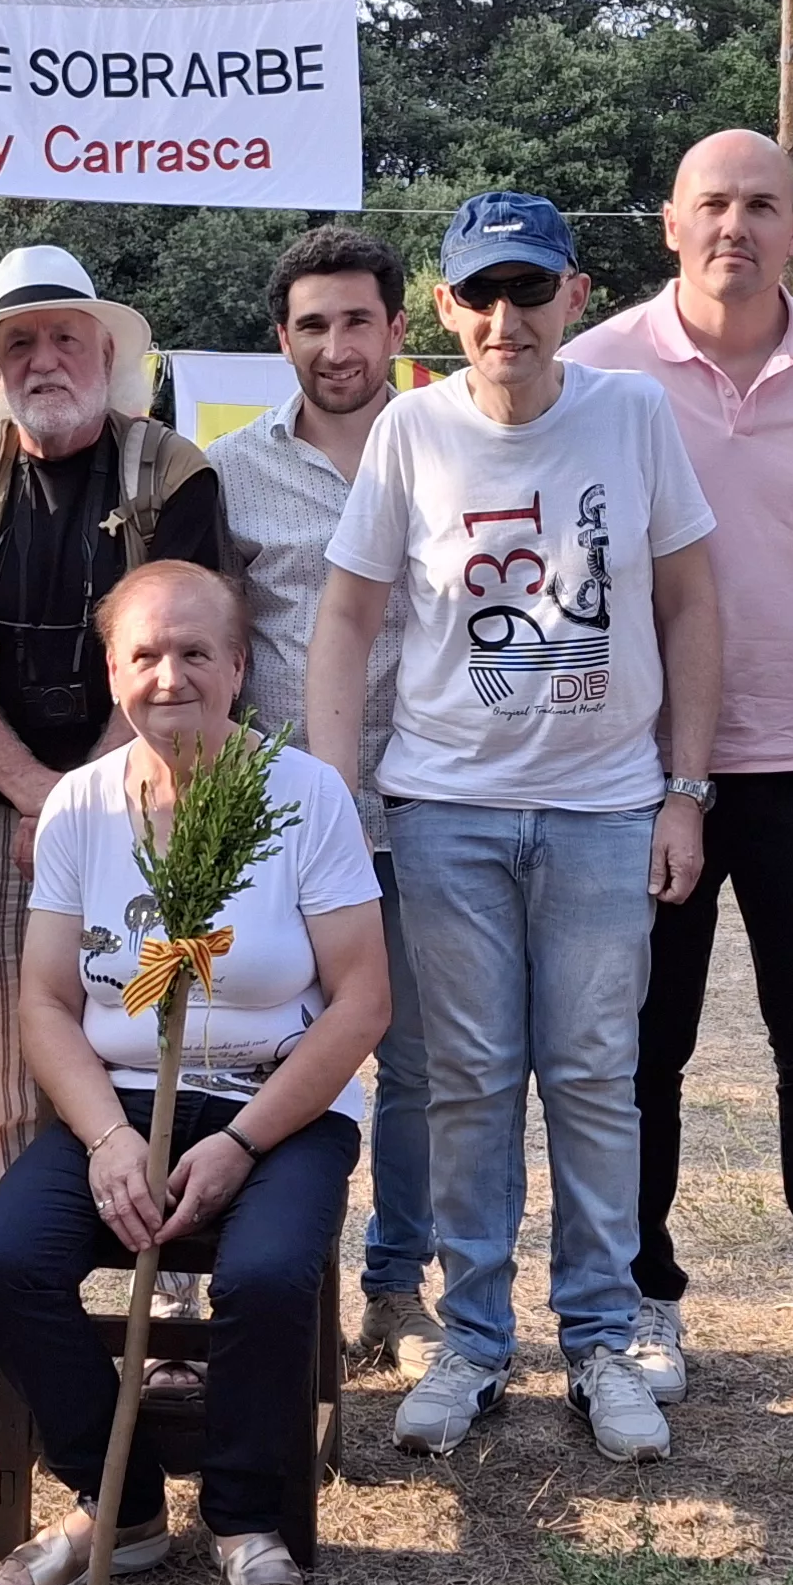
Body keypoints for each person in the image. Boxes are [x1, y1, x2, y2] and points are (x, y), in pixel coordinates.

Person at [311, 191, 722, 1466]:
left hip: (606, 812)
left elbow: (693, 606)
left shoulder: (634, 414)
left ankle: (601, 1342)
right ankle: (477, 1342)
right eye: (480, 296)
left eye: (530, 292)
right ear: (444, 309)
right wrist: (339, 800)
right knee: (472, 1082)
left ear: (575, 297)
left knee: (597, 1078)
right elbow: (344, 620)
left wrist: (685, 789)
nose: (506, 319)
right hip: (448, 814)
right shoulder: (412, 434)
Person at [0, 561, 389, 1585]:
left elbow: (361, 1002)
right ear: (113, 671)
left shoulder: (304, 796)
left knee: (270, 1272)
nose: (170, 675)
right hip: (125, 1100)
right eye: (144, 653)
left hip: (274, 1103)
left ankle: (246, 1521)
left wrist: (242, 1142)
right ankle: (123, 1503)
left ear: (239, 668)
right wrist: (104, 1138)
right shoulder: (81, 807)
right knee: (0, 1262)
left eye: (196, 652)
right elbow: (49, 1003)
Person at [562, 129, 793, 1403]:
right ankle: (645, 1295)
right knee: (639, 1043)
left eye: (764, 206)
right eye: (711, 203)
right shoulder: (595, 365)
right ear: (670, 223)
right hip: (633, 774)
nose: (737, 227)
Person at [0, 244, 229, 1386]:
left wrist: (86, 793)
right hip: (2, 807)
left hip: (155, 793)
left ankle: (176, 1302)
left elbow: (184, 657)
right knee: (12, 1041)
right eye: (20, 344)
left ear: (108, 353)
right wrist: (33, 792)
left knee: (165, 1023)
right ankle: (19, 1295)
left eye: (64, 338)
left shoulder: (175, 470)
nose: (44, 360)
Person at [208, 225, 438, 1374]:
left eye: (358, 320)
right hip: (282, 820)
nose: (337, 345)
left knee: (419, 1061)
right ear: (280, 338)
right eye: (313, 324)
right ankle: (270, 1291)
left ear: (401, 328)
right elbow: (210, 643)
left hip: (436, 802)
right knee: (262, 1049)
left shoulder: (456, 446)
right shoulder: (232, 468)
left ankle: (396, 1289)